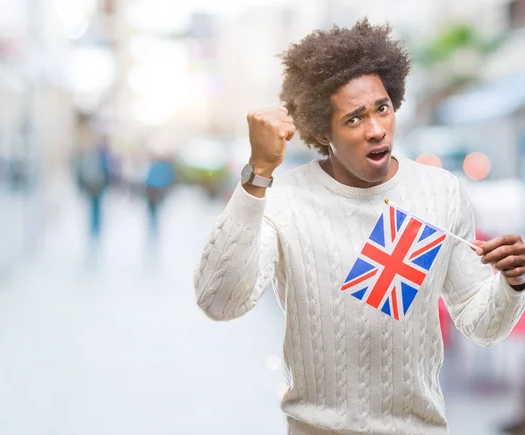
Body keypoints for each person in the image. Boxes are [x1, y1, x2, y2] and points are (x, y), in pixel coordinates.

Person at [193, 19, 525, 435]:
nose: (375, 130)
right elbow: (220, 302)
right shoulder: (286, 199)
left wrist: (511, 283)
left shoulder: (441, 192)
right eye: (353, 119)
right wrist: (259, 173)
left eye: (382, 108)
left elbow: (483, 326)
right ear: (322, 130)